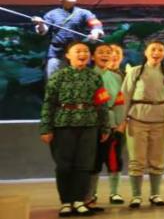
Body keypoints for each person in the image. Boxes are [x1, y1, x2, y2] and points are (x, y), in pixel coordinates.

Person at [40, 41, 112, 217]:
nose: (82, 54)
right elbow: (49, 103)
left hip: (89, 124)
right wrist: (45, 128)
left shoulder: (95, 77)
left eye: (86, 51)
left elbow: (102, 103)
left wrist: (105, 126)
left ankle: (79, 201)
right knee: (64, 166)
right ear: (68, 55)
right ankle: (66, 202)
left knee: (84, 165)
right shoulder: (58, 76)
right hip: (63, 124)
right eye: (78, 51)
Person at [122, 39, 164, 208]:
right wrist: (122, 120)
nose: (156, 53)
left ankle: (155, 194)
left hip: (160, 120)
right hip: (137, 119)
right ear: (145, 52)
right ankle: (136, 196)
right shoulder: (135, 72)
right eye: (153, 49)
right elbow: (125, 96)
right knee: (137, 160)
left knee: (157, 159)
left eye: (160, 50)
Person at [86, 43, 126, 210]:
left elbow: (120, 102)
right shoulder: (87, 75)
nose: (105, 55)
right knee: (92, 160)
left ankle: (114, 192)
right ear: (93, 56)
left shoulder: (117, 78)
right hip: (92, 122)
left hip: (112, 122)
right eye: (101, 52)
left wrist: (120, 123)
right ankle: (91, 194)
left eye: (108, 53)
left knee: (114, 157)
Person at [32, 0, 105, 77]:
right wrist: (40, 23)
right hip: (57, 53)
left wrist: (96, 32)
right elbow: (43, 31)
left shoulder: (84, 13)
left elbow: (95, 23)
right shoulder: (52, 14)